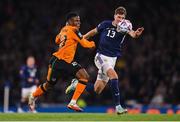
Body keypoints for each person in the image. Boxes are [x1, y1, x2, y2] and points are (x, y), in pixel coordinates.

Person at [65, 6, 144, 114]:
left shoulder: (125, 28)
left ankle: (77, 83)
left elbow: (133, 34)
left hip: (112, 60)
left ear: (124, 18)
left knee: (97, 89)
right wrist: (81, 38)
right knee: (114, 76)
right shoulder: (105, 24)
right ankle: (118, 107)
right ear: (114, 16)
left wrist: (136, 34)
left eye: (122, 17)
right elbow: (93, 32)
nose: (120, 19)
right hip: (101, 57)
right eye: (118, 16)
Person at [28, 12, 95, 112]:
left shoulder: (64, 29)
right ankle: (33, 96)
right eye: (76, 20)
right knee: (49, 85)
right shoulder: (74, 30)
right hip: (60, 61)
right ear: (70, 21)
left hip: (63, 61)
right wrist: (92, 44)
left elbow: (56, 40)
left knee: (84, 76)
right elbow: (85, 44)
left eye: (79, 21)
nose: (78, 22)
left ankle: (72, 102)